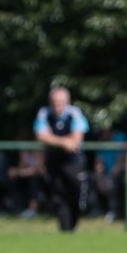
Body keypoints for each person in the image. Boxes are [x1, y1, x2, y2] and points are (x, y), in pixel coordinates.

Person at [34, 86, 90, 232]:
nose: (57, 105)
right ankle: (65, 230)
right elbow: (41, 136)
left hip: (73, 162)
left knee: (76, 193)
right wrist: (64, 142)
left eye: (61, 101)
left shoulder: (74, 113)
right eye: (55, 102)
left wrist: (52, 138)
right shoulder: (44, 113)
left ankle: (74, 225)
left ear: (67, 101)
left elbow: (76, 138)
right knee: (58, 196)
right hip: (54, 161)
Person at [91, 125, 127, 222]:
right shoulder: (101, 141)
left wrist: (110, 176)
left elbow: (121, 160)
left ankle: (114, 211)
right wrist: (99, 176)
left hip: (121, 171)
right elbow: (99, 162)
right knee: (91, 179)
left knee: (111, 183)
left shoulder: (120, 137)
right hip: (108, 172)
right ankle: (96, 209)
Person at [9, 130, 45, 218]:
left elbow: (39, 169)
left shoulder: (39, 150)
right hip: (27, 175)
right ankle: (18, 208)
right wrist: (15, 171)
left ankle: (33, 209)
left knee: (34, 181)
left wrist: (23, 171)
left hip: (40, 176)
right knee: (14, 180)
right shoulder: (23, 151)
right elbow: (21, 167)